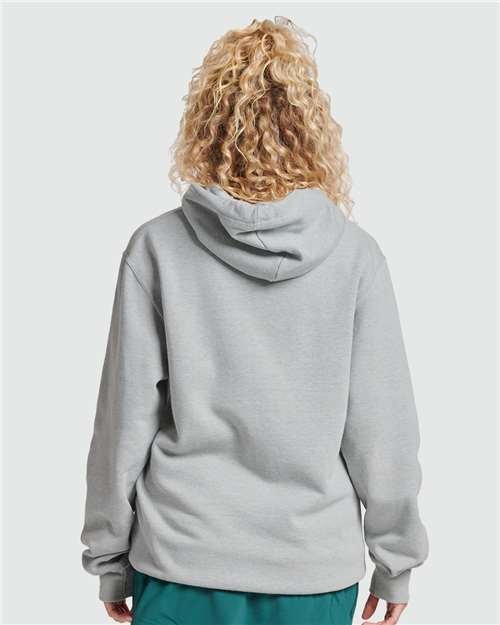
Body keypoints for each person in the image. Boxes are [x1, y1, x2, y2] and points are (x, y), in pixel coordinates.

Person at [80, 16, 429, 625]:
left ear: (204, 124)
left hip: (182, 560)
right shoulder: (354, 257)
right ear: (310, 127)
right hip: (310, 568)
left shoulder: (157, 248)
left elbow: (123, 420)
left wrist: (109, 554)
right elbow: (382, 429)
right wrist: (396, 561)